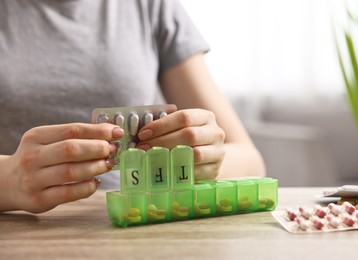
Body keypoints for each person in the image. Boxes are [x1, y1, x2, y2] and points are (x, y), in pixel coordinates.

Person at [0, 0, 265, 214]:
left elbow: (251, 161)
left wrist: (205, 163)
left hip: (139, 221)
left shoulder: (150, 5)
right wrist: (10, 180)